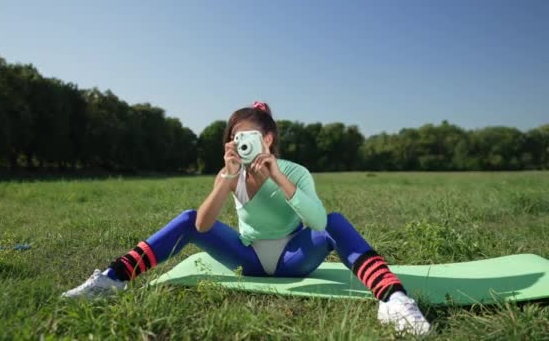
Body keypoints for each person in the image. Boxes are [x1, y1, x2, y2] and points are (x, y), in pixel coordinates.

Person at [61, 101, 431, 335]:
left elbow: (317, 223)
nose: (245, 144)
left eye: (252, 137)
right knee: (190, 214)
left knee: (335, 219)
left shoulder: (295, 171)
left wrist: (276, 175)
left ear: (268, 138)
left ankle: (393, 299)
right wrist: (226, 176)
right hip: (248, 258)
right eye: (237, 138)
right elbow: (202, 226)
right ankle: (113, 280)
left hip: (293, 258)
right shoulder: (231, 175)